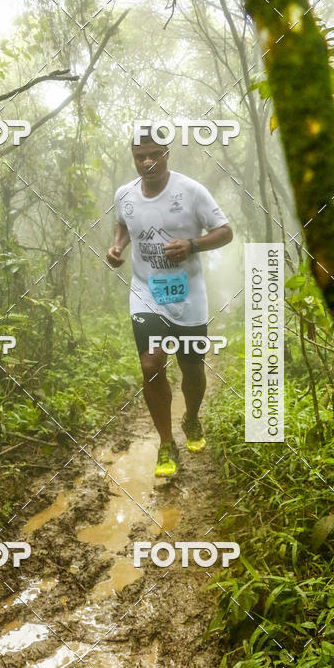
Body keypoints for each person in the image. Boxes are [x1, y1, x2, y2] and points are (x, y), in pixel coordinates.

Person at [106, 130, 233, 478]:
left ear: (167, 154)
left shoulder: (191, 191)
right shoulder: (125, 194)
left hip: (188, 293)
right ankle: (166, 443)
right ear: (133, 158)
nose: (147, 162)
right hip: (146, 292)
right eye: (140, 156)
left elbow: (225, 231)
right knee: (151, 364)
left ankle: (191, 418)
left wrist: (192, 245)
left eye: (155, 154)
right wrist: (117, 247)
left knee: (192, 368)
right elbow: (122, 224)